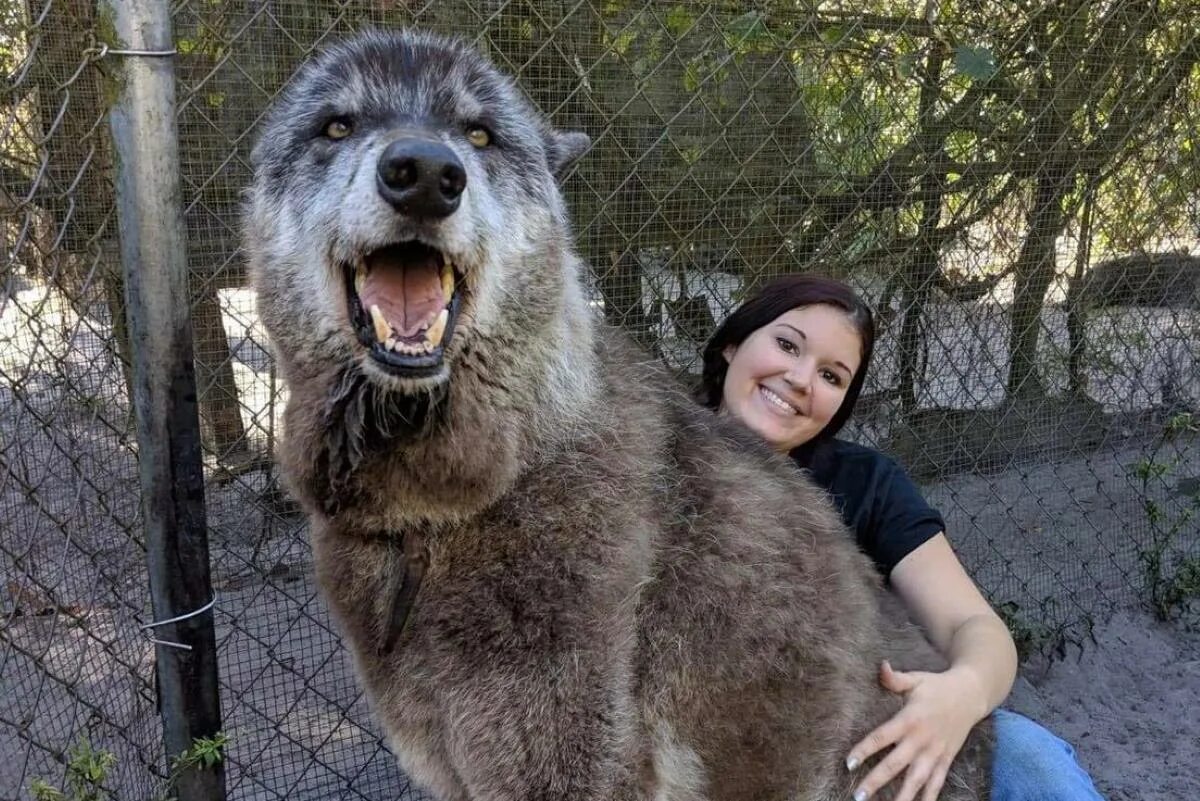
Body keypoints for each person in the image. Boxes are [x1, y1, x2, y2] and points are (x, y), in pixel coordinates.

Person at [696, 274, 1105, 801]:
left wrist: (964, 692)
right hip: (705, 716)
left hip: (848, 711)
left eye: (831, 375)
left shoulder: (866, 483)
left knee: (1033, 764)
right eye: (786, 344)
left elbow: (973, 624)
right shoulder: (649, 450)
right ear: (733, 343)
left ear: (841, 403)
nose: (800, 379)